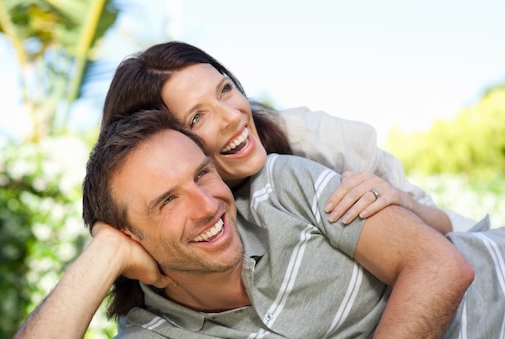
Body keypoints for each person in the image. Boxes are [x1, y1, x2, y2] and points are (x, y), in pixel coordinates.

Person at [0, 109, 505, 339]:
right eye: (167, 201)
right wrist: (106, 252)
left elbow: (441, 268)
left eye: (201, 175)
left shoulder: (282, 189)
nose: (207, 204)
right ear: (130, 236)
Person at [100, 41, 477, 233]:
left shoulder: (311, 137)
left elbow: (457, 230)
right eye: (198, 116)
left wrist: (402, 205)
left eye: (225, 90)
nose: (233, 116)